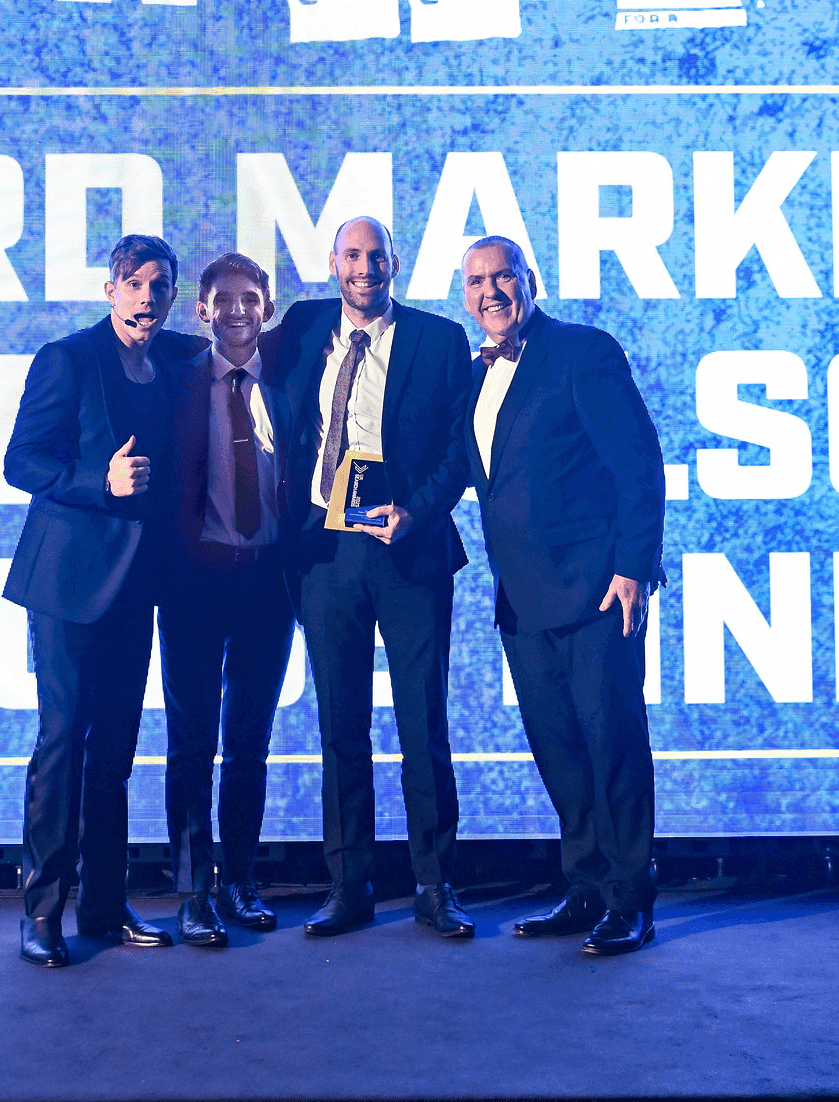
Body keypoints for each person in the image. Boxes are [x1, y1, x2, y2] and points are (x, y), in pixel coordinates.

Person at [267, 215, 476, 938]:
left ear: (397, 262)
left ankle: (434, 882)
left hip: (410, 551)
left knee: (424, 721)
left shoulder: (440, 339)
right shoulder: (300, 329)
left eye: (376, 256)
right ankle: (347, 883)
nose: (364, 268)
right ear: (333, 262)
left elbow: (462, 448)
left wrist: (416, 512)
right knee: (340, 725)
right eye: (352, 256)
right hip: (325, 556)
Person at [1, 233, 206, 968]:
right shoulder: (68, 358)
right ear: (110, 289)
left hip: (135, 586)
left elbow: (240, 348)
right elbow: (21, 460)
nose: (147, 297)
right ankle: (41, 910)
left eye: (160, 286)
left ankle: (104, 903)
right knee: (63, 742)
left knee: (114, 752)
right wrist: (99, 481)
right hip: (65, 585)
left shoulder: (175, 361)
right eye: (135, 283)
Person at [458, 235, 665, 956]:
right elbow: (462, 474)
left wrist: (634, 568)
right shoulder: (474, 373)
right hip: (522, 602)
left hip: (598, 594)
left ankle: (631, 897)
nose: (491, 291)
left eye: (502, 276)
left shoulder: (583, 352)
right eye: (477, 280)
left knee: (613, 746)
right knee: (561, 752)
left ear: (530, 281)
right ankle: (585, 887)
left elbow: (639, 464)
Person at [161, 252, 298, 947]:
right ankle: (193, 892)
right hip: (194, 581)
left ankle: (239, 879)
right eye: (225, 299)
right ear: (202, 310)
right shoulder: (175, 380)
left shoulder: (294, 380)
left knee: (249, 741)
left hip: (268, 581)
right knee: (191, 742)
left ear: (267, 308)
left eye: (251, 298)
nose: (238, 309)